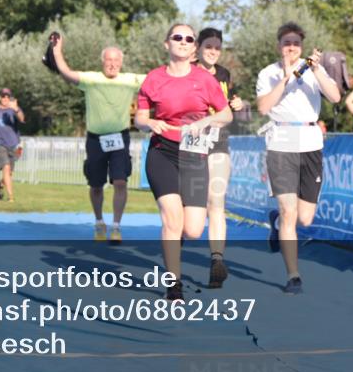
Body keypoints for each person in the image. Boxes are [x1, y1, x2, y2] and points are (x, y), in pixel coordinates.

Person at [135, 24, 232, 301]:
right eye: (177, 37)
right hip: (162, 152)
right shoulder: (153, 79)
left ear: (193, 48)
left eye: (188, 39)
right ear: (167, 44)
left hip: (194, 155)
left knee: (192, 229)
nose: (183, 41)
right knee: (171, 218)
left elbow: (226, 115)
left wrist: (207, 120)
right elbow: (140, 118)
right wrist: (150, 122)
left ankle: (174, 250)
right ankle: (174, 285)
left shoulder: (204, 79)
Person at [256, 22, 341, 294]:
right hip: (281, 144)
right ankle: (293, 276)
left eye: (296, 43)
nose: (291, 47)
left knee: (305, 218)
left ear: (302, 47)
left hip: (310, 144)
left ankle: (278, 223)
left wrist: (314, 69)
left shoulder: (315, 70)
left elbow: (336, 97)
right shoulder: (268, 73)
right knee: (289, 210)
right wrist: (286, 76)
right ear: (279, 45)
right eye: (286, 43)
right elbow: (263, 107)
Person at [50, 34, 144, 243]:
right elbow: (66, 73)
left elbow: (160, 81)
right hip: (95, 140)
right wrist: (57, 51)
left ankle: (116, 226)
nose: (112, 64)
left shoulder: (131, 80)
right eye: (109, 60)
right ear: (103, 62)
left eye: (116, 61)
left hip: (120, 137)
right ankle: (100, 222)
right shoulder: (91, 79)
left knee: (120, 181)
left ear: (121, 63)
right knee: (96, 185)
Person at [194, 27, 244, 288]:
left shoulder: (224, 74)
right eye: (208, 46)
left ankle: (217, 261)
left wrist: (237, 103)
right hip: (190, 144)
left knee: (216, 200)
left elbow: (227, 101)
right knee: (189, 208)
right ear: (198, 47)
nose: (213, 51)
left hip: (218, 141)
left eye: (217, 47)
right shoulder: (187, 70)